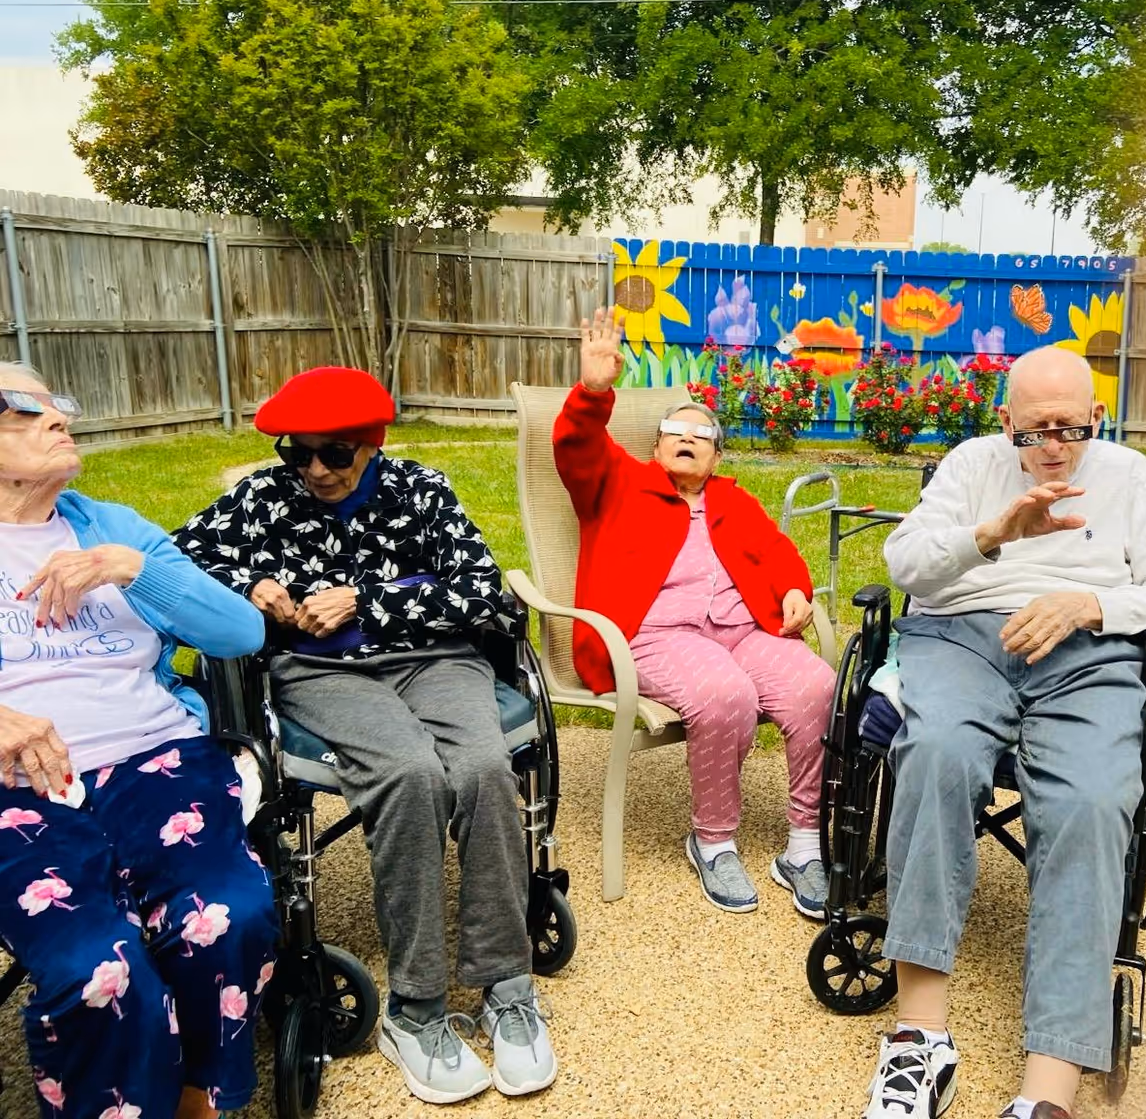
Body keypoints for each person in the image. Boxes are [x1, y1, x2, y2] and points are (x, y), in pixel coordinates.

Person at [174, 365, 557, 1105]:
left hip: (434, 660)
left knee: (484, 767)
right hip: (321, 674)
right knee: (410, 774)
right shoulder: (261, 498)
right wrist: (247, 584)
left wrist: (368, 600)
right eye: (298, 453)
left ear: (373, 443)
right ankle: (415, 1010)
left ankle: (507, 985)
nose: (315, 470)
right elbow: (175, 557)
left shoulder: (422, 490)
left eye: (335, 453)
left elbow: (481, 588)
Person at [860, 346, 1146, 1119]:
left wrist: (1093, 604)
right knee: (937, 752)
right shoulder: (971, 465)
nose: (1052, 445)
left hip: (1089, 647)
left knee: (1092, 798)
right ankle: (919, 1038)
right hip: (963, 637)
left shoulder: (1129, 476)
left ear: (1096, 417)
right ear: (1004, 419)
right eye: (1033, 430)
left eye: (1070, 427)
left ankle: (1047, 1090)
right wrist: (990, 535)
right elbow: (906, 562)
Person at [0, 363, 276, 1119]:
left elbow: (241, 631)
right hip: (19, 788)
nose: (57, 417)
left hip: (156, 757)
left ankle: (195, 1099)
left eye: (57, 403)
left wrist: (132, 569)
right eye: (22, 407)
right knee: (96, 966)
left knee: (228, 911)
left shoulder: (112, 526)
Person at [554, 308, 837, 915]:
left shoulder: (734, 500)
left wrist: (794, 587)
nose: (686, 438)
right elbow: (576, 448)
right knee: (724, 692)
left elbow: (778, 552)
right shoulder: (616, 482)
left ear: (716, 457)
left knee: (817, 684)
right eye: (674, 431)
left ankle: (804, 845)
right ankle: (713, 841)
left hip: (742, 630)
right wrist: (593, 392)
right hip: (655, 635)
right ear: (656, 446)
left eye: (701, 435)